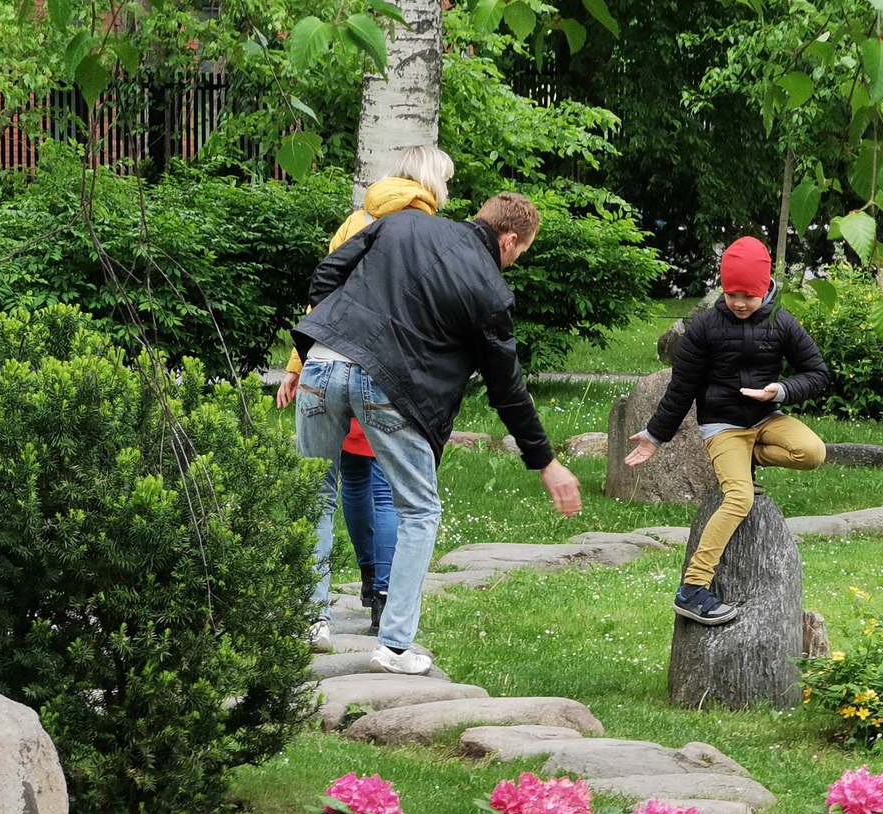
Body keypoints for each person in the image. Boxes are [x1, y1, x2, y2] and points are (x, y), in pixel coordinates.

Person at [292, 192, 582, 675]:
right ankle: (397, 647)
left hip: (322, 362)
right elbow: (507, 388)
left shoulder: (403, 224)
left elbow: (325, 274)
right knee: (419, 511)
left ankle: (308, 621)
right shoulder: (490, 290)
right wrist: (545, 462)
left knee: (313, 494)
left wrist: (344, 331)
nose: (513, 262)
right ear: (509, 239)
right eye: (519, 253)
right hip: (387, 385)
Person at [277, 147, 455, 645]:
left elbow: (323, 295)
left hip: (324, 364)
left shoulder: (357, 219)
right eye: (447, 180)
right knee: (384, 486)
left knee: (324, 490)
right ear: (430, 181)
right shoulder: (420, 231)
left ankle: (312, 615)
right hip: (382, 370)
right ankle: (383, 602)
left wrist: (298, 364)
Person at [624, 236, 828, 626]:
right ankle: (692, 590)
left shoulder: (782, 322)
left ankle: (748, 459)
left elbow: (817, 373)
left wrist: (780, 390)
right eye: (731, 292)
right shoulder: (704, 328)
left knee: (812, 452)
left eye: (746, 295)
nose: (738, 302)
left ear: (764, 288)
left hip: (767, 418)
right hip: (724, 427)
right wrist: (654, 436)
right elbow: (680, 388)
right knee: (739, 498)